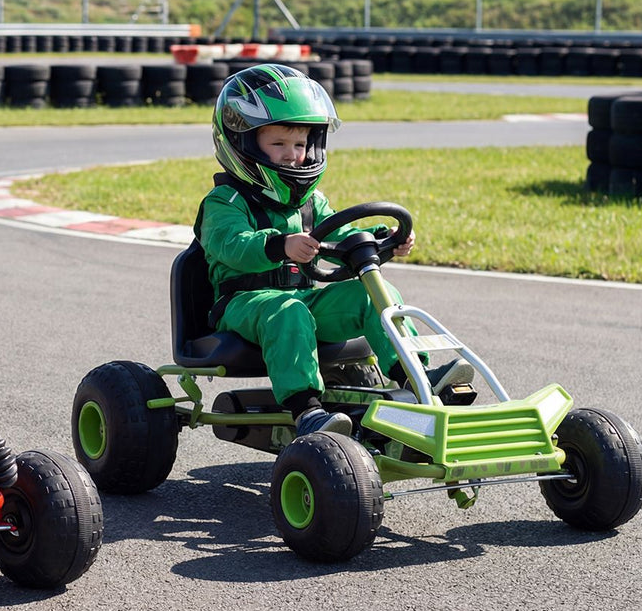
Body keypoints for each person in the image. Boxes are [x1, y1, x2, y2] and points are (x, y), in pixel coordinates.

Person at [197, 64, 470, 437]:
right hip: (244, 305)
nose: (293, 155)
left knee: (372, 294)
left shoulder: (312, 202)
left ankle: (415, 378)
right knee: (286, 310)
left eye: (299, 144)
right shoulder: (224, 201)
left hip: (304, 300)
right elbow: (230, 245)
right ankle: (306, 409)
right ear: (241, 142)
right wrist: (280, 245)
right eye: (278, 144)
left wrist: (379, 239)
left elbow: (341, 237)